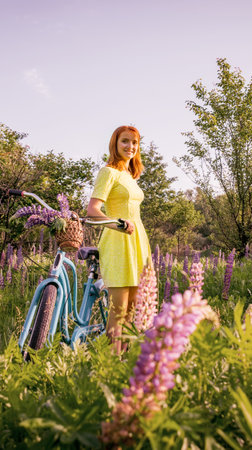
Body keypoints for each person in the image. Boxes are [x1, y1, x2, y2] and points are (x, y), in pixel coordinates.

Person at [87, 125, 151, 353]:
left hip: (138, 242)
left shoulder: (130, 176)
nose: (130, 147)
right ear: (115, 143)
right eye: (125, 141)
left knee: (134, 311)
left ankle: (125, 365)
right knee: (119, 311)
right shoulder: (108, 172)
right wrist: (118, 225)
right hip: (118, 241)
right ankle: (110, 367)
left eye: (134, 143)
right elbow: (93, 210)